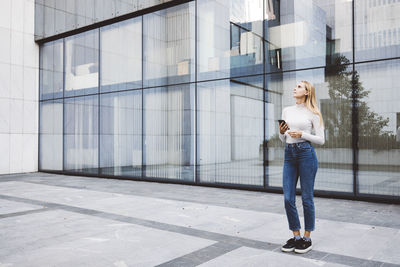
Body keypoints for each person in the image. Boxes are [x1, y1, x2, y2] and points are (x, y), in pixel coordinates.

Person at [278, 80, 325, 254]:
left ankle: (307, 238)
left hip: (306, 154)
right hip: (289, 153)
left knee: (307, 198)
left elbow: (321, 139)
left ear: (306, 92)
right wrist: (282, 133)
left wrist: (303, 134)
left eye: (298, 87)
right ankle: (296, 236)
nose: (294, 88)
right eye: (295, 86)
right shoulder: (287, 110)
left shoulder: (314, 112)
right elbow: (284, 138)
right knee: (288, 198)